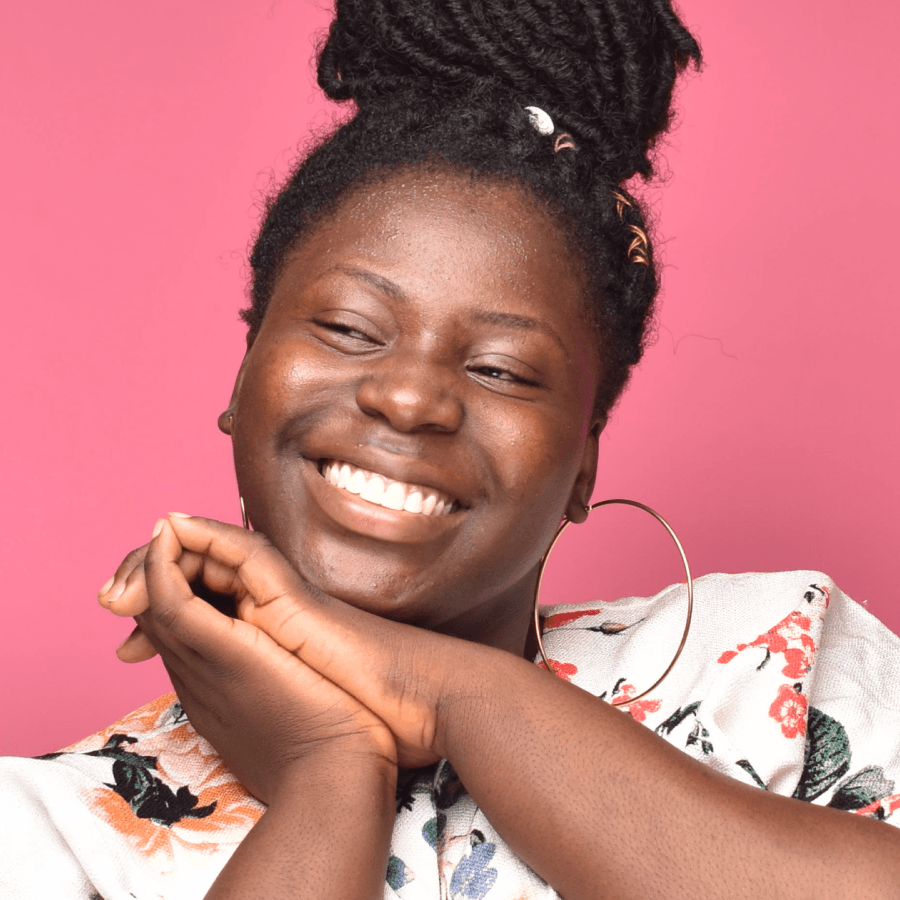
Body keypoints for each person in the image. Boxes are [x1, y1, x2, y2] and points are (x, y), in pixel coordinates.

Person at [2, 0, 899, 897]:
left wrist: (449, 695)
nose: (411, 397)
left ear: (583, 464)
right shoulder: (48, 829)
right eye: (351, 327)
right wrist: (327, 772)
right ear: (243, 382)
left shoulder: (779, 665)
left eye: (503, 370)